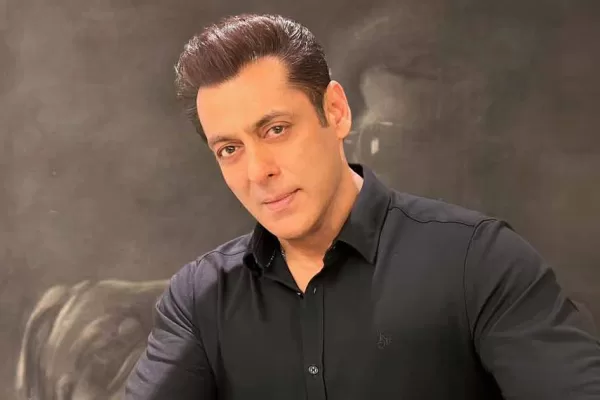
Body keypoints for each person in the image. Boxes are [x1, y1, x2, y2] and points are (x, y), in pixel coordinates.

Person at [125, 13, 600, 399]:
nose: (257, 171)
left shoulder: (480, 261)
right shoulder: (200, 297)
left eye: (276, 130)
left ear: (335, 112)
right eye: (230, 149)